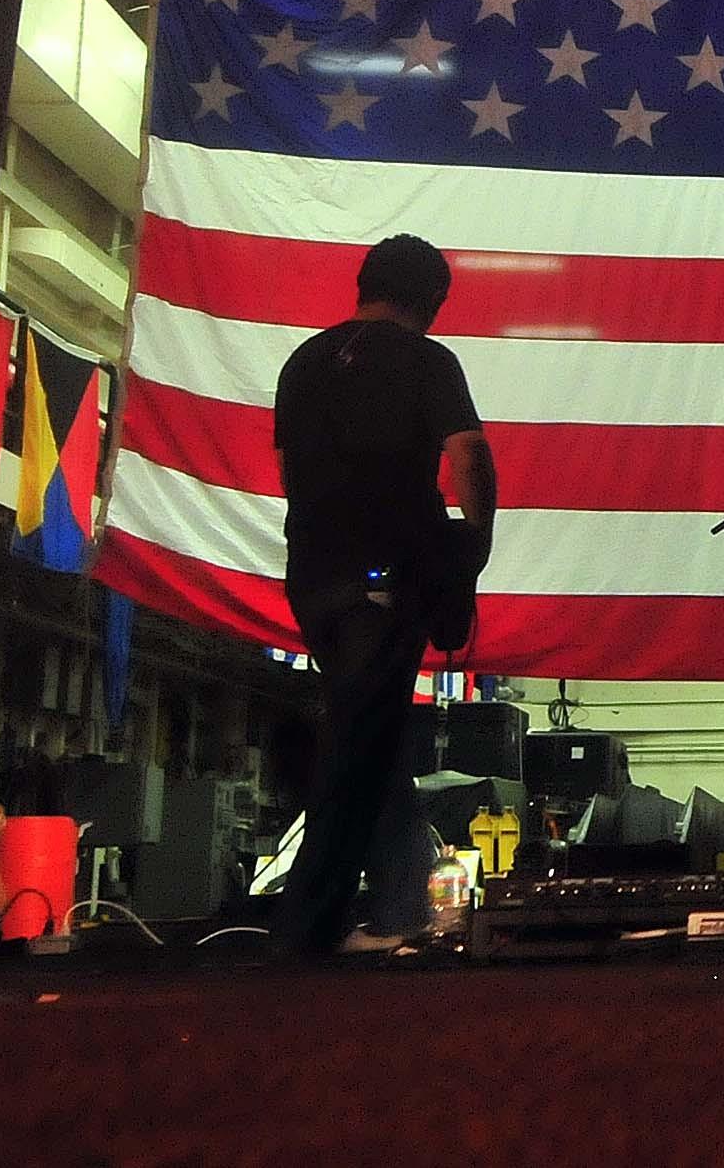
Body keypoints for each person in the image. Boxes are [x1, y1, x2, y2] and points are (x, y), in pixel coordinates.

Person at [270, 233, 494, 955]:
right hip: (388, 573)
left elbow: (286, 468)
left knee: (376, 731)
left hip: (314, 575)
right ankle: (308, 925)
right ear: (433, 299)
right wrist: (473, 542)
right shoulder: (428, 362)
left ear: (363, 282)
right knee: (359, 741)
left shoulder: (303, 361)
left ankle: (402, 907)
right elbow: (468, 455)